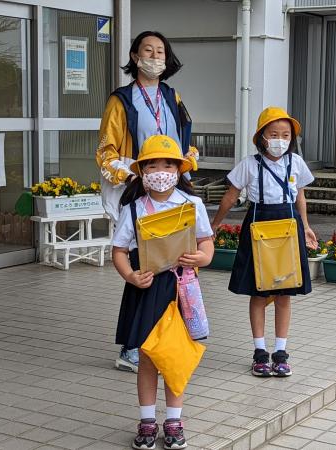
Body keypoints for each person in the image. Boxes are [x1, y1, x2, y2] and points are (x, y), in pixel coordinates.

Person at [96, 30, 198, 373]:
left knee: (174, 266)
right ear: (134, 56)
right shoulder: (121, 100)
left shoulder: (172, 96)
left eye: (160, 52)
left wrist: (184, 165)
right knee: (143, 268)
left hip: (172, 190)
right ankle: (132, 345)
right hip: (141, 190)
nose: (155, 57)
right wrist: (133, 176)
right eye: (148, 51)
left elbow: (184, 142)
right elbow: (106, 152)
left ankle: (167, 338)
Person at [112, 135, 213, 450]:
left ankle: (173, 421)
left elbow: (206, 242)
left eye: (168, 165)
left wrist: (202, 258)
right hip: (145, 290)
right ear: (142, 171)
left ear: (179, 170)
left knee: (174, 355)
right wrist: (130, 276)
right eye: (152, 165)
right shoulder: (133, 208)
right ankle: (146, 421)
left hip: (179, 289)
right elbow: (118, 251)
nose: (160, 172)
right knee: (146, 357)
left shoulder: (191, 204)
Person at [210, 107, 317, 377]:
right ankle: (259, 353)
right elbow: (230, 196)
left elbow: (300, 197)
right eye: (274, 134)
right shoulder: (248, 164)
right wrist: (215, 224)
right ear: (262, 137)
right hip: (257, 226)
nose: (280, 139)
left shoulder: (296, 163)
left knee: (284, 293)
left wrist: (306, 227)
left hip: (289, 226)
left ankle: (281, 353)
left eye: (286, 134)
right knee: (258, 293)